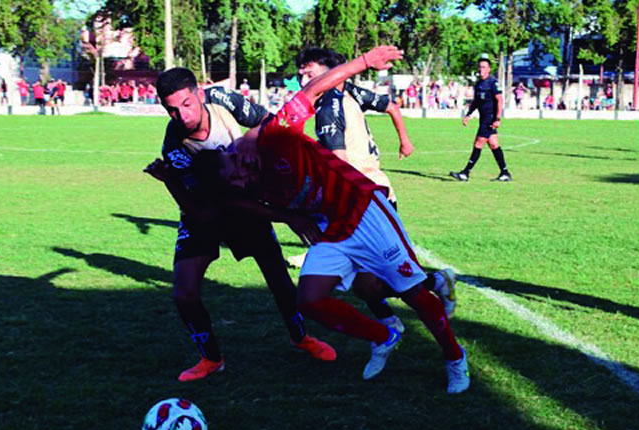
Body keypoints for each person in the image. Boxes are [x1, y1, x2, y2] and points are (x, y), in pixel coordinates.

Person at [148, 46, 470, 393]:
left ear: (239, 154)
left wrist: (364, 62)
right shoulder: (242, 182)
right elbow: (237, 204)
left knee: (411, 291)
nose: (240, 178)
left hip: (363, 210)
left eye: (236, 168)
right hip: (329, 227)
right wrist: (289, 218)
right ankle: (385, 334)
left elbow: (312, 90)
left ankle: (455, 358)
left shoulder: (275, 134)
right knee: (311, 299)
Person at [142, 66, 336, 382]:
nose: (182, 115)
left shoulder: (223, 100)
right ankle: (211, 359)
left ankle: (300, 337)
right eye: (172, 110)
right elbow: (206, 212)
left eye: (187, 104)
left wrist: (258, 154)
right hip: (206, 208)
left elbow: (269, 123)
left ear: (200, 94)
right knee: (184, 293)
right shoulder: (175, 148)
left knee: (279, 280)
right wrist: (168, 181)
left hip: (247, 202)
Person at [294, 47, 457, 332]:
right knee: (365, 280)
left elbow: (339, 165)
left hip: (366, 203)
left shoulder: (329, 104)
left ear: (330, 71)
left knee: (392, 278)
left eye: (308, 70)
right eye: (300, 71)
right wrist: (404, 141)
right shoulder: (347, 94)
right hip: (370, 196)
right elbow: (391, 107)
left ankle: (435, 301)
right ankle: (391, 324)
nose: (301, 75)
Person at [449, 54, 512, 182]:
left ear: (489, 69)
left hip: (489, 119)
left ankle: (465, 173)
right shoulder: (478, 84)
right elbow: (476, 102)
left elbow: (500, 100)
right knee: (494, 145)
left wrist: (498, 118)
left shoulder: (493, 83)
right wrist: (468, 114)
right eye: (480, 67)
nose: (481, 70)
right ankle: (505, 173)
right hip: (483, 118)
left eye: (484, 67)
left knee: (478, 143)